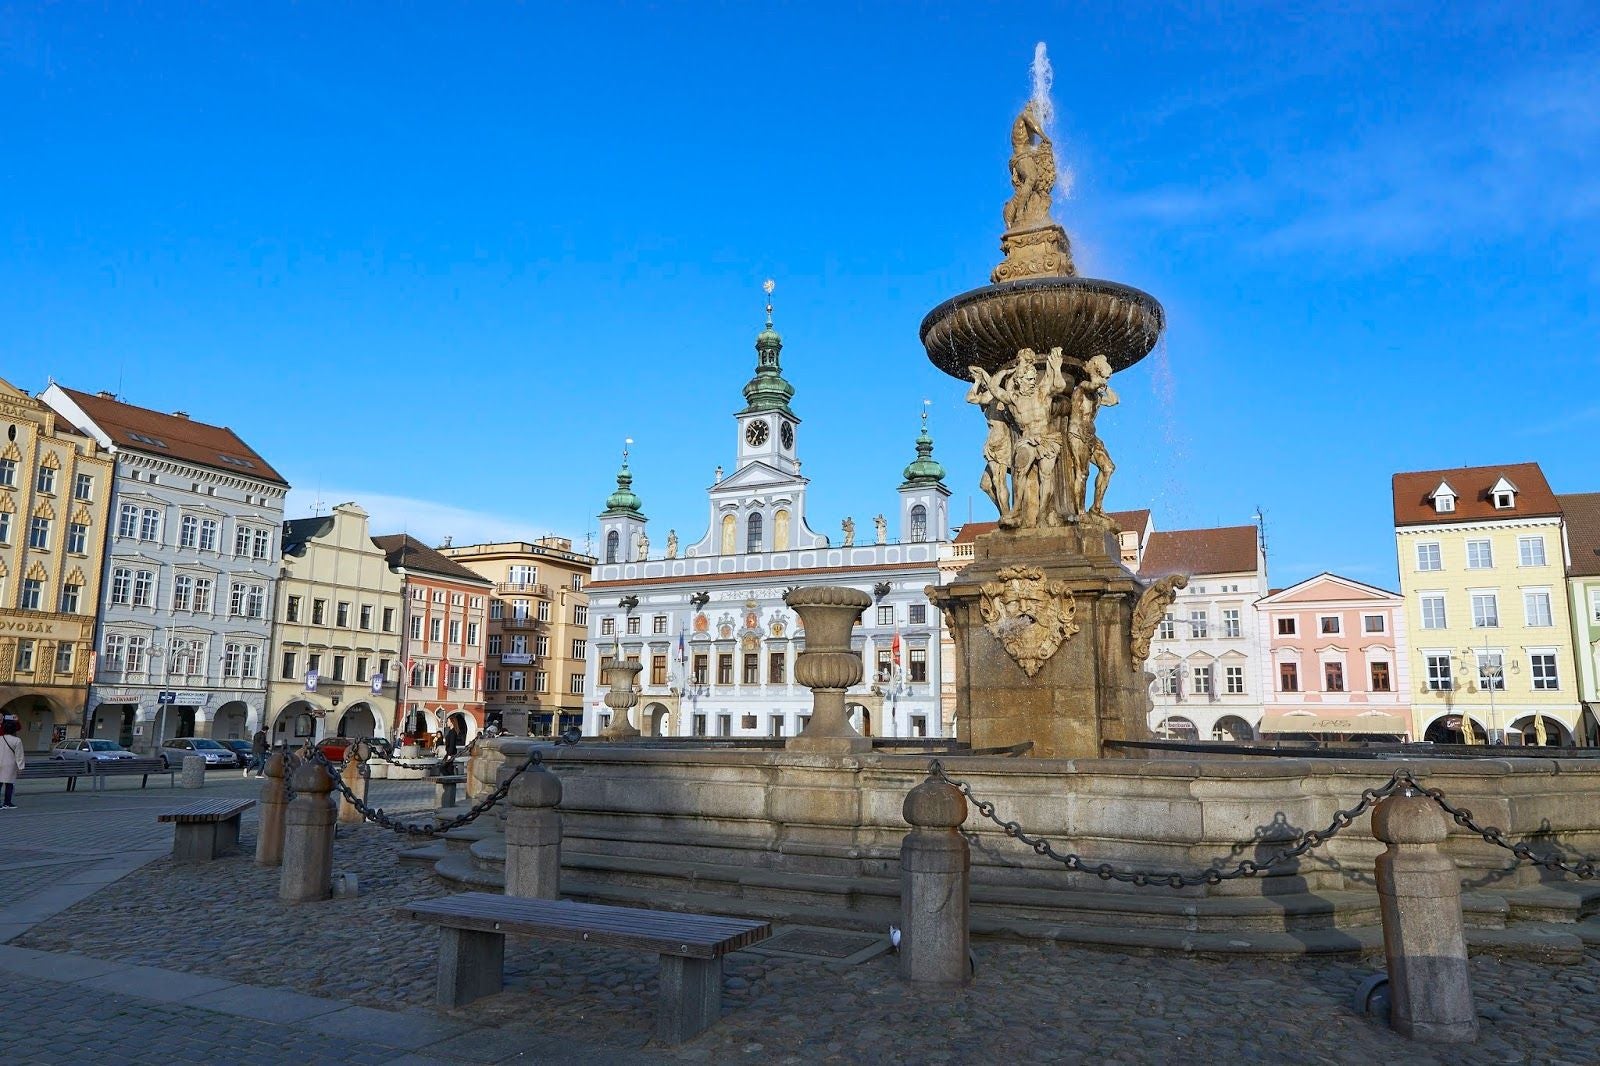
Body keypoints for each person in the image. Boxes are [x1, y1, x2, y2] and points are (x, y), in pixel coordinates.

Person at [1, 718, 25, 809]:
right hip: (10, 765)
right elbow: (19, 755)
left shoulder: (0, 738)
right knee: (9, 784)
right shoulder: (17, 740)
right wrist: (20, 767)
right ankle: (7, 803)